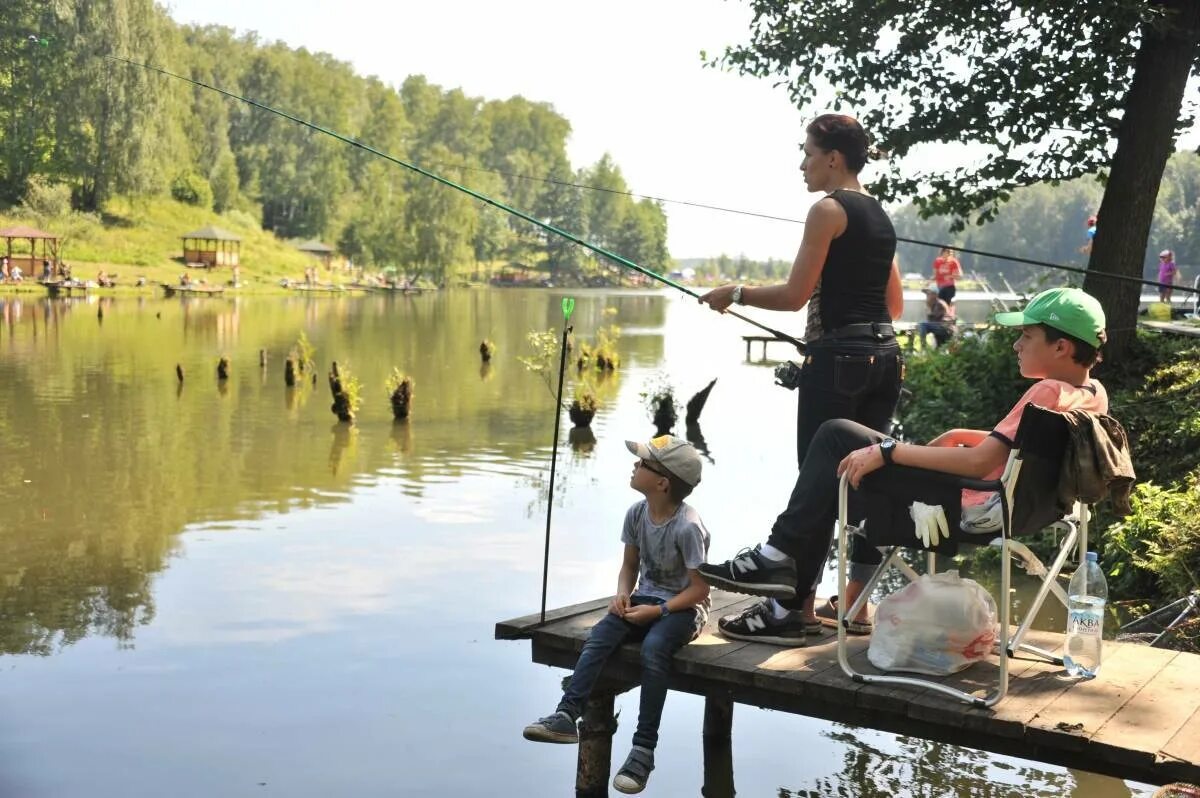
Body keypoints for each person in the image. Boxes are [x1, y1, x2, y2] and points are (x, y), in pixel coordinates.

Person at [699, 287, 1110, 643]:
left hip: (964, 507)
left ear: (1061, 347)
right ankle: (790, 590)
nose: (1017, 345)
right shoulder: (1090, 393)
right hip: (1017, 508)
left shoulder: (1044, 391)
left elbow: (980, 460)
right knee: (840, 460)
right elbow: (1018, 447)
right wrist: (958, 433)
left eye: (1026, 335)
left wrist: (890, 451)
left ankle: (779, 569)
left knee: (836, 437)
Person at [698, 113, 904, 635]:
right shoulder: (880, 216)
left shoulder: (827, 210)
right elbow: (895, 306)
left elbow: (793, 297)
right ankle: (849, 604)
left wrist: (736, 293)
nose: (802, 164)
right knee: (858, 479)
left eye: (808, 153)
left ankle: (790, 609)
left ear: (833, 157)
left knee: (817, 483)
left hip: (837, 364)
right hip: (885, 360)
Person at [523, 435, 710, 795]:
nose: (635, 466)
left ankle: (643, 750)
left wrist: (658, 610)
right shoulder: (636, 513)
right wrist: (623, 595)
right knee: (602, 634)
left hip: (683, 608)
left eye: (642, 464)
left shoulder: (687, 526)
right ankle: (566, 714)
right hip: (644, 597)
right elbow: (629, 567)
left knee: (654, 649)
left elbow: (699, 590)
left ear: (662, 482)